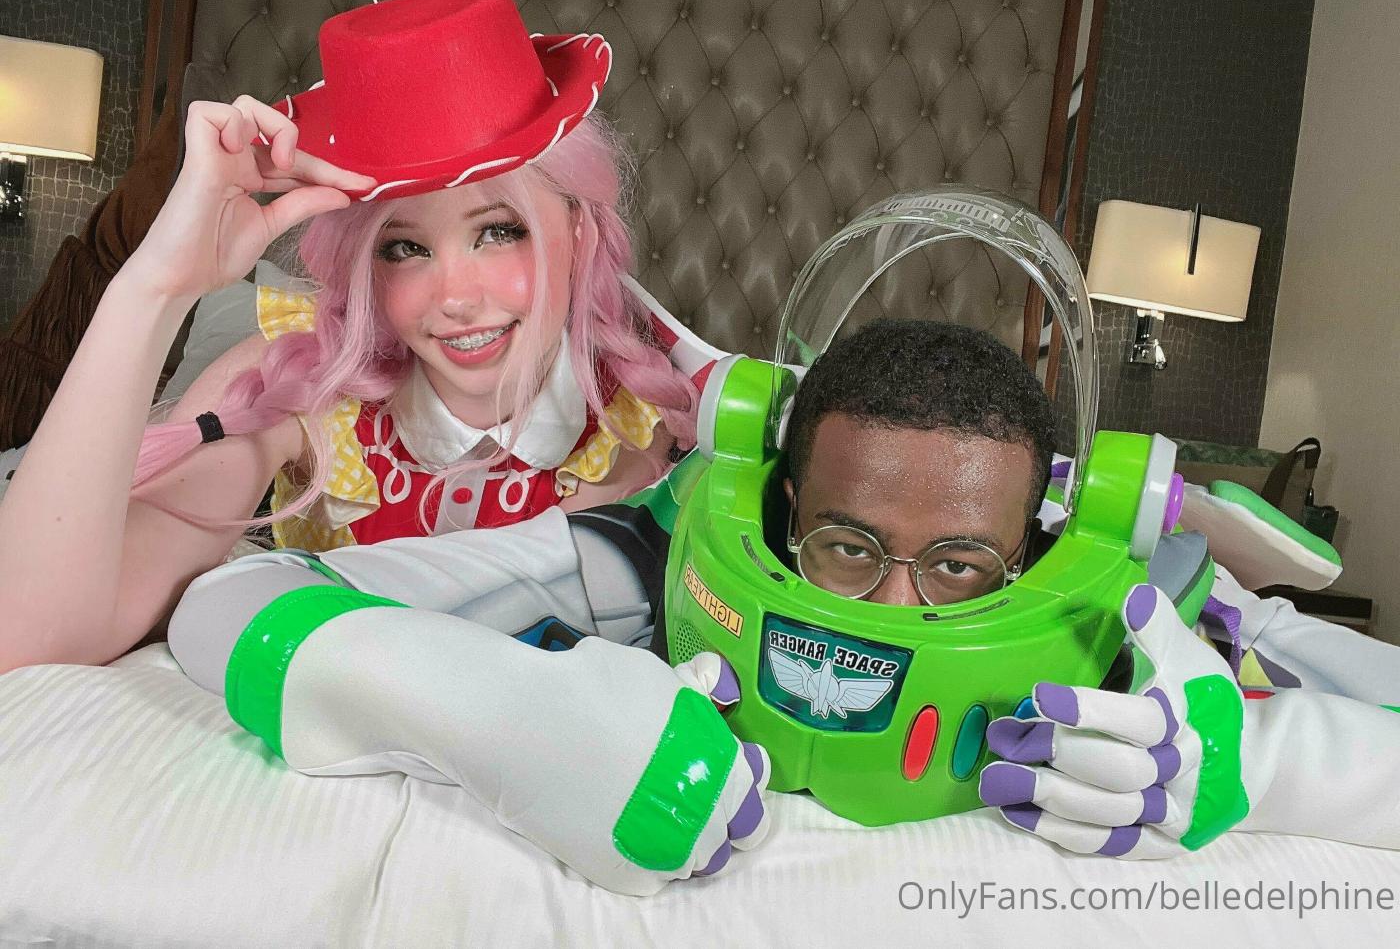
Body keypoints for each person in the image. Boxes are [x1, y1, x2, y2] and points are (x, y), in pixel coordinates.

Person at [170, 316, 1400, 887]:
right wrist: (494, 717)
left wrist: (1263, 766)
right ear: (778, 502)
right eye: (846, 545)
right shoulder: (645, 558)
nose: (894, 603)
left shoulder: (1134, 623)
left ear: (1033, 546)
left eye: (959, 566)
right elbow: (228, 601)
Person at [0, 0, 718, 673]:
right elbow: (30, 637)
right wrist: (156, 286)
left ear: (580, 229)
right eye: (403, 248)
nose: (454, 298)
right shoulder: (295, 390)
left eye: (499, 232)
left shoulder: (650, 425)